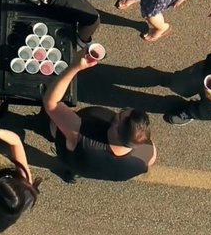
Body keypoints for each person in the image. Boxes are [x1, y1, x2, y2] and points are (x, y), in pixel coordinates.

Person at [43, 50, 157, 182]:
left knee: (54, 125)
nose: (123, 109)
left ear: (115, 128)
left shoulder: (83, 137)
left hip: (72, 154)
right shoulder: (147, 155)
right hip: (90, 168)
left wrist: (75, 66)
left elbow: (52, 104)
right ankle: (72, 174)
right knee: (81, 168)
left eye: (121, 113)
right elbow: (152, 160)